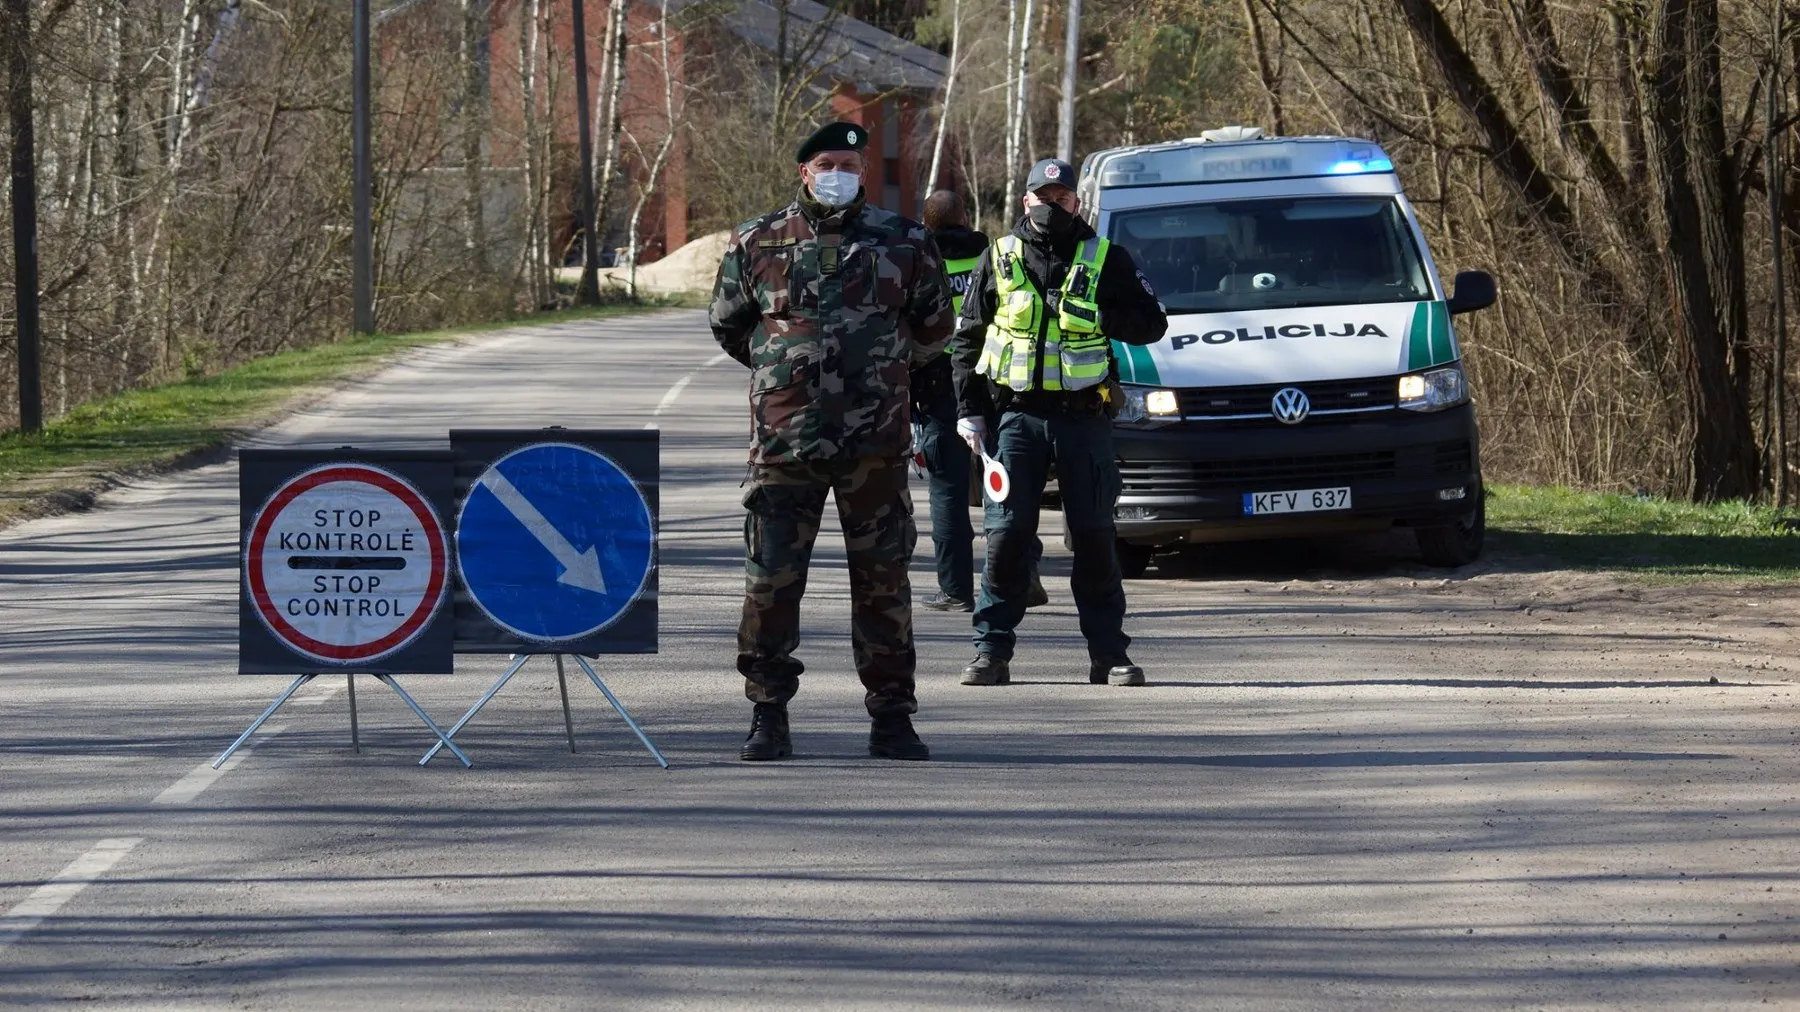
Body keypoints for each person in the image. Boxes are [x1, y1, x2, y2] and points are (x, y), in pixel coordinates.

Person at [710, 121, 956, 761]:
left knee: (883, 584)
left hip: (874, 446)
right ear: (805, 171)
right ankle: (768, 714)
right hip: (785, 445)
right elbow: (731, 327)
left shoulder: (904, 240)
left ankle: (892, 716)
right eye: (827, 162)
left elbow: (934, 330)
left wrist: (880, 375)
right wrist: (785, 371)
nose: (838, 172)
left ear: (863, 170)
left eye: (849, 162)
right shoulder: (757, 241)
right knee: (770, 584)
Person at [949, 157, 1168, 687]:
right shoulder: (997, 258)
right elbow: (967, 340)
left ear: (1077, 202)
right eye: (1042, 198)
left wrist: (1101, 313)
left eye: (1062, 198)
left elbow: (1152, 324)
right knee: (1005, 538)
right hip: (1015, 419)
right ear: (1026, 201)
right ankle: (990, 652)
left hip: (1083, 420)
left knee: (1095, 539)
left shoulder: (1105, 258)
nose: (1052, 207)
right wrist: (968, 412)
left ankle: (1110, 656)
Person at [913, 190, 1047, 613]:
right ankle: (1023, 576)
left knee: (948, 490)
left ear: (926, 223)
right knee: (1005, 484)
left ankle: (955, 589)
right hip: (993, 380)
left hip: (938, 386)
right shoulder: (996, 257)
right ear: (966, 218)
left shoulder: (919, 262)